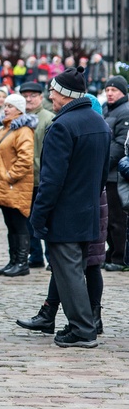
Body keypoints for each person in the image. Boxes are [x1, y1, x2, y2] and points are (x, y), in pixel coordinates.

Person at [29, 67, 110, 348]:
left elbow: (51, 180)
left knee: (69, 273)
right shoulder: (99, 122)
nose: (50, 94)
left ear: (64, 95)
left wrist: (38, 216)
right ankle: (82, 325)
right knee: (76, 270)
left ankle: (82, 329)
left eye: (53, 90)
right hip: (88, 209)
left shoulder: (62, 125)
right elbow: (101, 175)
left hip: (64, 214)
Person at [0, 94, 37, 277]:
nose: (5, 109)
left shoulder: (23, 130)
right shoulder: (6, 128)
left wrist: (9, 176)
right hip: (5, 185)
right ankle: (13, 260)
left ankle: (22, 262)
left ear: (19, 110)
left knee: (19, 224)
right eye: (5, 105)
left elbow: (25, 159)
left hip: (15, 186)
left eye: (10, 106)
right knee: (10, 224)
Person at [18, 82, 55, 268]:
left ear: (41, 97)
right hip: (23, 180)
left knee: (46, 220)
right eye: (25, 95)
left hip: (42, 178)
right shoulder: (19, 118)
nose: (29, 99)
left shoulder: (49, 119)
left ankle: (51, 257)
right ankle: (35, 256)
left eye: (33, 95)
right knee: (27, 221)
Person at [101, 75, 129, 271]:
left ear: (123, 93)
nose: (110, 93)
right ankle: (111, 253)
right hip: (107, 173)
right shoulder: (106, 110)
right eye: (107, 90)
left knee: (117, 219)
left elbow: (119, 145)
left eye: (114, 90)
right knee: (108, 218)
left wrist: (101, 163)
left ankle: (119, 257)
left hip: (116, 173)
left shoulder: (125, 112)